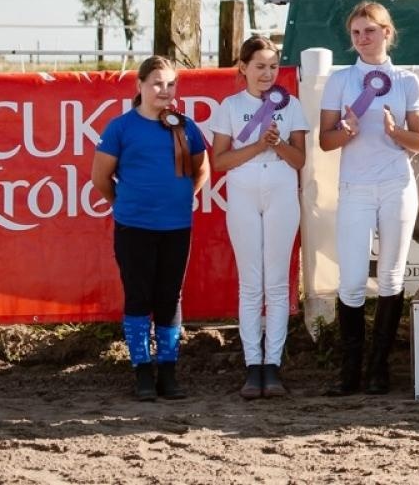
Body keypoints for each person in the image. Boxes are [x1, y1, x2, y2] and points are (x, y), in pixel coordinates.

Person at [319, 1, 419, 396]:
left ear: (386, 32)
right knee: (350, 281)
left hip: (397, 185)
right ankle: (349, 369)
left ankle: (379, 368)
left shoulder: (407, 81)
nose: (362, 39)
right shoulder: (340, 80)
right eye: (356, 33)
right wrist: (346, 131)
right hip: (355, 188)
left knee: (391, 278)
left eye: (369, 31)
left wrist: (396, 132)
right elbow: (325, 140)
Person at [90, 56, 211, 401]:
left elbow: (202, 170)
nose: (164, 90)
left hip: (177, 226)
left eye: (171, 84)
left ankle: (168, 373)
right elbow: (100, 178)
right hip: (134, 227)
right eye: (157, 83)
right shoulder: (120, 128)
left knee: (170, 297)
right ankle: (142, 372)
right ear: (140, 85)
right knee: (138, 296)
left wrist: (181, 197)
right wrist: (125, 205)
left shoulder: (185, 127)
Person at [208, 36, 308, 399]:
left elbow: (299, 160)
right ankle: (253, 365)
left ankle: (273, 365)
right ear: (243, 68)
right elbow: (220, 161)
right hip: (244, 193)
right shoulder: (230, 106)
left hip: (282, 191)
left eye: (273, 66)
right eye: (260, 66)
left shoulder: (291, 104)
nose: (267, 74)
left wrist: (278, 144)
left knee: (277, 283)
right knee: (251, 284)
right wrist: (258, 146)